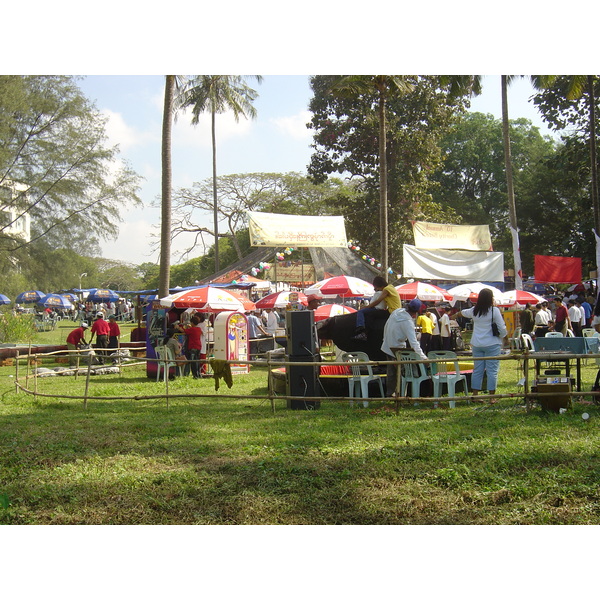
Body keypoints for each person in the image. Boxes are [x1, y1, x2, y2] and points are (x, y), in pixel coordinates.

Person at [457, 288, 507, 400]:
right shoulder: (494, 311)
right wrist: (503, 336)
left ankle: (475, 394)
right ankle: (492, 397)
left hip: (477, 344)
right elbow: (502, 327)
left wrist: (452, 316)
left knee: (477, 370)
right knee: (492, 371)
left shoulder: (475, 310)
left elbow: (462, 313)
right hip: (492, 344)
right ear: (491, 298)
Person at [381, 299, 427, 397]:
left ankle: (391, 395)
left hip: (387, 346)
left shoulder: (396, 312)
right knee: (404, 374)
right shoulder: (408, 323)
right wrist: (424, 358)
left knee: (391, 374)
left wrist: (385, 340)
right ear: (415, 313)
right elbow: (414, 343)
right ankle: (401, 396)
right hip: (398, 350)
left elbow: (386, 326)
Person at [352, 276, 401, 341]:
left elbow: (378, 301)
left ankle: (364, 332)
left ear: (380, 285)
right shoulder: (391, 287)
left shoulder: (386, 289)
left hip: (392, 311)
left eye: (377, 288)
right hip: (395, 310)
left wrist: (366, 307)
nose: (377, 290)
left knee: (370, 314)